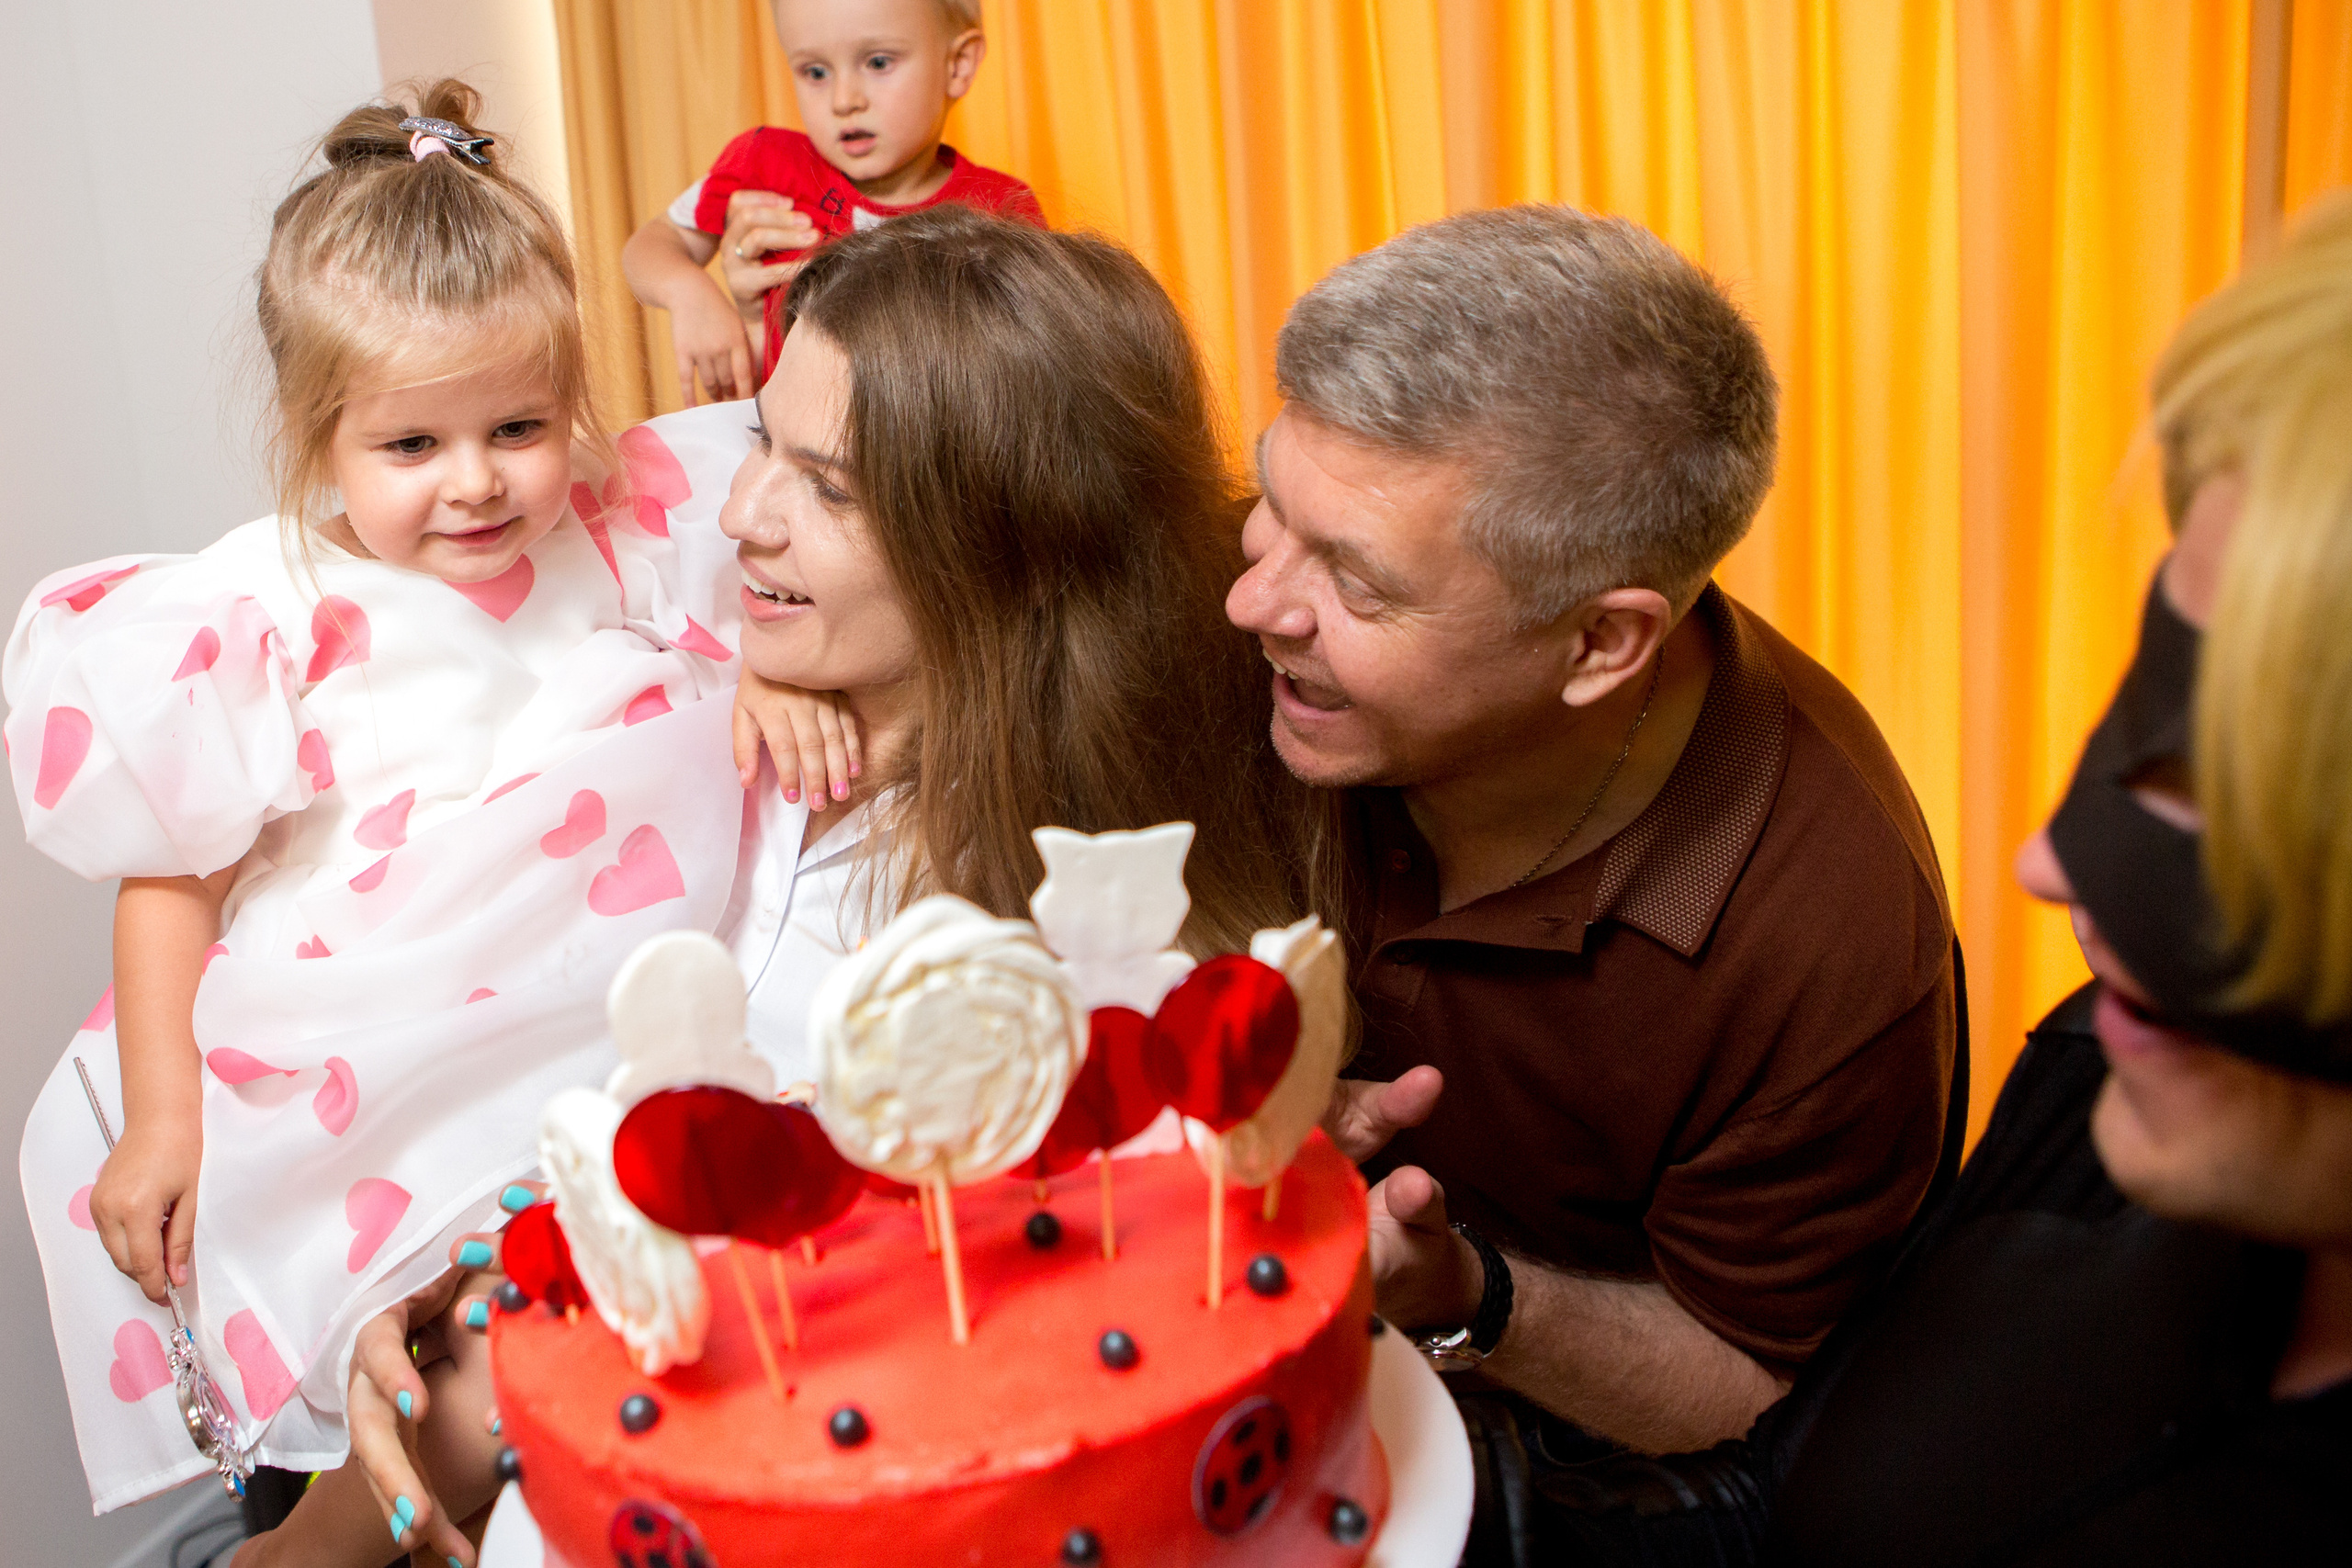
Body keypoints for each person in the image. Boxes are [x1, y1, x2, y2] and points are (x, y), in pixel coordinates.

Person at [338, 205, 1319, 1559]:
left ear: (1016, 545)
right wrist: (431, 1275)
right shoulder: (677, 696)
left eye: (833, 487)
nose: (741, 516)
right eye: (760, 445)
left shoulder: (1055, 970)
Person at [1526, 192, 2352, 1568]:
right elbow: (1774, 1502)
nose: (2044, 866)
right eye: (2160, 712)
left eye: (2248, 783)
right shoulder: (2122, 1067)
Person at [5, 83, 746, 1564]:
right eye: (412, 447)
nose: (478, 481)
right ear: (318, 435)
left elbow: (765, 642)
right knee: (393, 1393)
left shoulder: (622, 523)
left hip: (576, 1015)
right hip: (353, 1050)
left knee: (579, 1365)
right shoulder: (266, 605)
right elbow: (173, 880)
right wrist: (164, 1115)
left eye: (520, 425)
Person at [1223, 206, 1962, 1463]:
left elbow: (1749, 1379)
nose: (1251, 599)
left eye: (1355, 580)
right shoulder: (1293, 648)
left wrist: (1462, 1291)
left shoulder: (1829, 937)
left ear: (1599, 643)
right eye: (1267, 498)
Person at [621, 0, 1045, 405]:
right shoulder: (764, 163)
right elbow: (653, 243)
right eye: (816, 72)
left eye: (878, 63)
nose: (844, 101)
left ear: (958, 65)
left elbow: (1034, 368)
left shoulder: (1002, 208)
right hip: (785, 456)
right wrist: (689, 292)